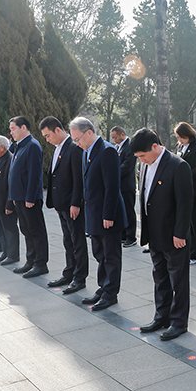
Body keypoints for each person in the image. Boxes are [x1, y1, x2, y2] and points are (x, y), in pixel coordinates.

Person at [133, 128, 193, 341]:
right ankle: (162, 316)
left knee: (178, 281)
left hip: (174, 236)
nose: (141, 160)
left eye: (143, 155)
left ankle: (178, 322)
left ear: (155, 147)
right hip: (154, 234)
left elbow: (185, 204)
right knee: (160, 277)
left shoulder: (178, 166)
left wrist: (180, 233)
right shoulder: (145, 165)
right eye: (138, 157)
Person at [72, 117, 126, 310]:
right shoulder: (86, 151)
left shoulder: (107, 151)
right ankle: (103, 287)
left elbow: (112, 187)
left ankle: (110, 293)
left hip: (107, 215)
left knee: (110, 255)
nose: (77, 143)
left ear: (89, 132)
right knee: (99, 254)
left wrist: (108, 215)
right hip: (93, 213)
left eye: (78, 139)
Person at [40, 116, 88, 295]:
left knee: (77, 241)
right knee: (68, 240)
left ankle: (79, 277)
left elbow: (78, 179)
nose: (47, 139)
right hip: (61, 204)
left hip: (71, 205)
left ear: (58, 130)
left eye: (48, 135)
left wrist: (76, 202)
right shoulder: (58, 148)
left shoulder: (74, 148)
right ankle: (69, 273)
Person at [8, 116, 49, 278]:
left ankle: (40, 264)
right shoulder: (19, 146)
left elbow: (34, 174)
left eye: (13, 129)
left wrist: (30, 197)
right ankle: (30, 260)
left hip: (29, 199)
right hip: (19, 197)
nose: (11, 132)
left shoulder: (32, 146)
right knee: (26, 230)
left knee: (36, 231)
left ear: (23, 127)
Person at [174, 122, 196, 265]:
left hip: (194, 189)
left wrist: (183, 176)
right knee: (185, 221)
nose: (179, 140)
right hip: (182, 189)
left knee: (195, 222)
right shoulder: (180, 146)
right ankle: (188, 249)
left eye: (181, 137)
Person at [0, 135, 20, 265]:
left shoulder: (9, 160)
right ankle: (5, 252)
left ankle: (12, 255)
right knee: (1, 229)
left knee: (10, 230)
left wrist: (9, 204)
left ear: (1, 148)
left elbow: (11, 185)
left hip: (5, 203)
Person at [110, 126, 138, 247]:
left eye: (115, 137)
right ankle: (123, 234)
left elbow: (127, 166)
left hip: (127, 185)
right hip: (119, 185)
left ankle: (131, 237)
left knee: (128, 210)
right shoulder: (117, 147)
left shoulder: (130, 146)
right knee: (121, 210)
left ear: (122, 134)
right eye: (112, 138)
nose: (114, 140)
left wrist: (113, 173)